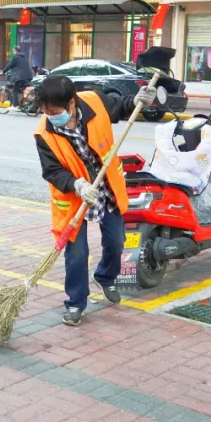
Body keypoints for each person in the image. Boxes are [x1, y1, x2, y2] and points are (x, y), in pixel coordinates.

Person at [35, 75, 156, 326]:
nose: (49, 115)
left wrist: (136, 100)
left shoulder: (94, 102)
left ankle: (105, 277)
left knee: (116, 242)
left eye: (54, 110)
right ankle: (76, 303)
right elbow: (52, 171)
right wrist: (76, 184)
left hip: (106, 187)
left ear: (71, 103)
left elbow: (120, 106)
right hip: (74, 197)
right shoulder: (43, 133)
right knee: (77, 254)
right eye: (45, 110)